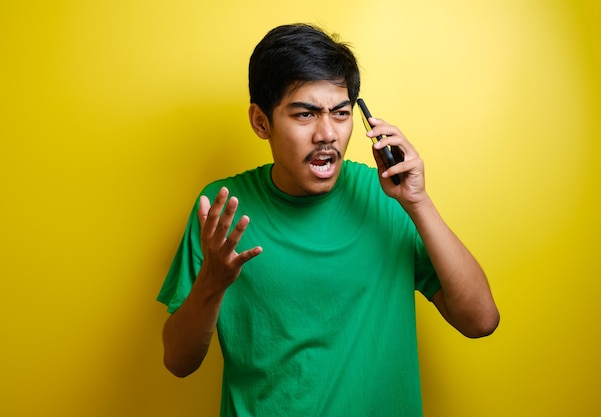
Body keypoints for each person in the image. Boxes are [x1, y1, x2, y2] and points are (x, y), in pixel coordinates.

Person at [157, 23, 499, 416]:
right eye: (305, 114)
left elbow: (481, 321)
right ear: (260, 122)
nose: (327, 134)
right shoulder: (222, 208)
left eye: (340, 113)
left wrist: (418, 203)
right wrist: (212, 283)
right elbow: (178, 362)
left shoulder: (386, 197)